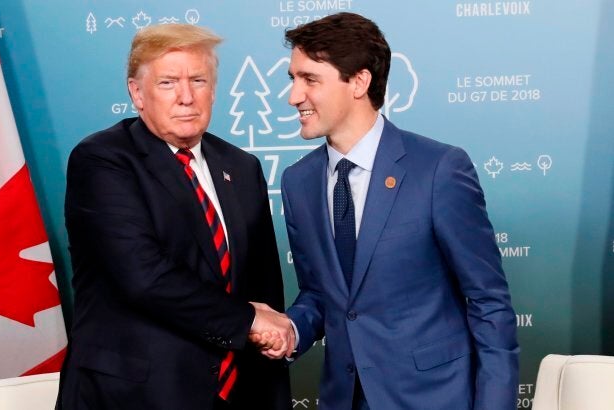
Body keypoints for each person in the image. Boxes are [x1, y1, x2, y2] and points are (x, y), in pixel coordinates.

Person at [276, 12, 519, 410]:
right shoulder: (298, 182)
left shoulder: (439, 169)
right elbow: (321, 294)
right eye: (293, 79)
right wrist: (291, 330)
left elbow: (489, 302)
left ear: (359, 81)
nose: (293, 96)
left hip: (433, 398)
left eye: (310, 79)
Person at [56, 24, 293, 410]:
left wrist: (272, 357)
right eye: (168, 82)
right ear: (137, 93)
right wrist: (248, 321)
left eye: (198, 80)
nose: (186, 97)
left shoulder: (241, 166)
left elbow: (263, 285)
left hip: (236, 393)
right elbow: (143, 276)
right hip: (136, 395)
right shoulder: (103, 160)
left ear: (213, 90)